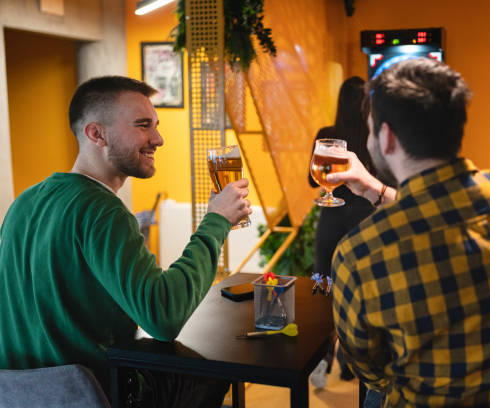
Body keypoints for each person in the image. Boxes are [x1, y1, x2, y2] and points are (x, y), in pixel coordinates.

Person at [326, 59, 490, 406]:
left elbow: (371, 370)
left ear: (386, 137)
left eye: (370, 130)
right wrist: (375, 189)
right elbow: (447, 206)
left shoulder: (361, 253)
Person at [0, 76, 252, 407]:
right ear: (96, 134)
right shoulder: (103, 211)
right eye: (143, 125)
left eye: (156, 125)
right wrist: (216, 222)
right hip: (93, 394)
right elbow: (163, 317)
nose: (158, 139)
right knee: (212, 366)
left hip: (20, 396)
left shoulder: (25, 201)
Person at [308, 77, 375, 388]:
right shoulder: (371, 136)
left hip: (331, 220)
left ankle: (319, 362)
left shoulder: (327, 137)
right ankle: (352, 363)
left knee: (323, 287)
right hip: (365, 222)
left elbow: (313, 182)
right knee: (359, 292)